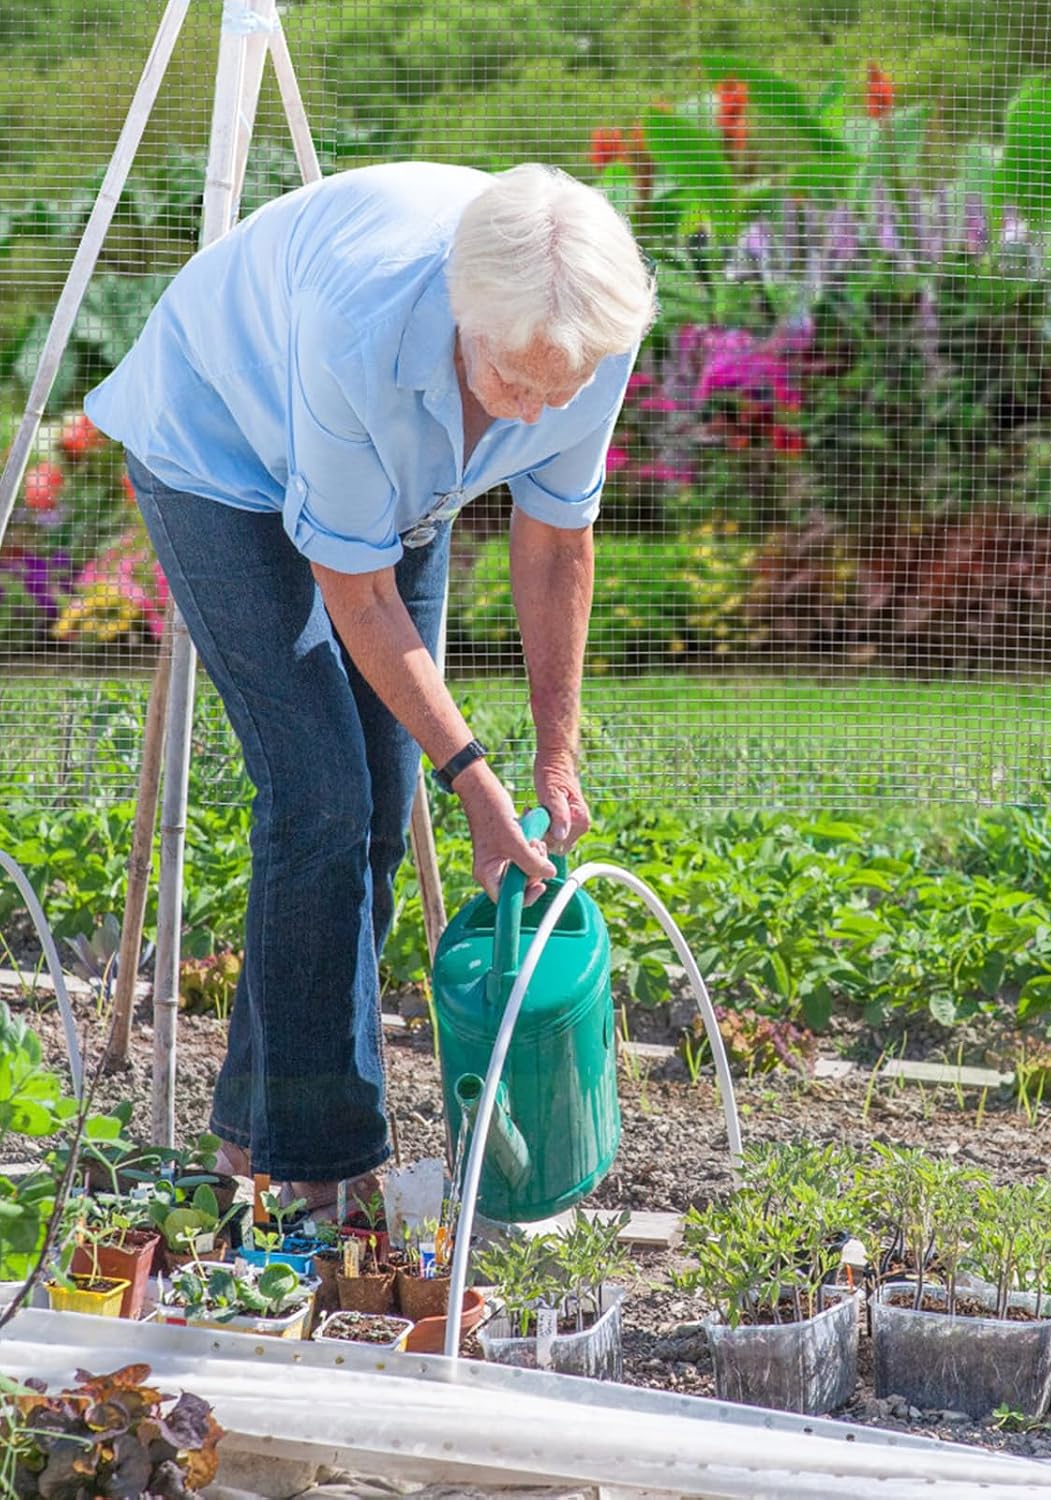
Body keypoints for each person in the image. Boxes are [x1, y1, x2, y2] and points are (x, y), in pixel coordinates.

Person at [84, 161, 657, 1211]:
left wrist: (553, 754)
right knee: (321, 801)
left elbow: (555, 544)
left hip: (397, 493)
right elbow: (356, 593)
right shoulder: (363, 330)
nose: (541, 407)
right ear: (460, 317)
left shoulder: (583, 331)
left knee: (379, 813)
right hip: (220, 453)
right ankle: (325, 1171)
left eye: (561, 387)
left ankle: (256, 1138)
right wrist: (478, 780)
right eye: (518, 382)